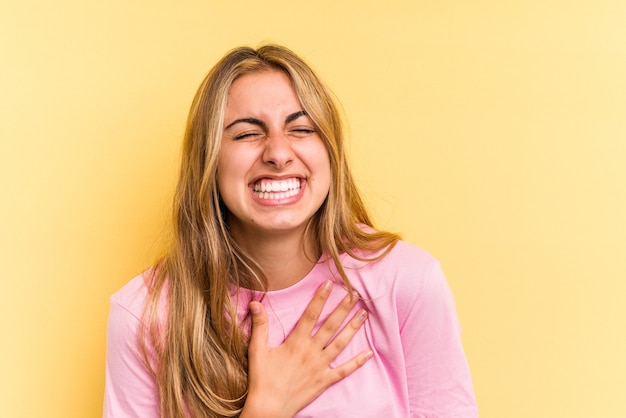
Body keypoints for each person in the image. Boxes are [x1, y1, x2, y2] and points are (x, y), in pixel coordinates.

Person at [104, 44, 478, 418]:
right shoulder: (143, 316)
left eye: (301, 129)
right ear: (209, 160)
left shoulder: (407, 284)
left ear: (330, 151)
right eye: (247, 134)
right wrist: (266, 408)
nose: (278, 154)